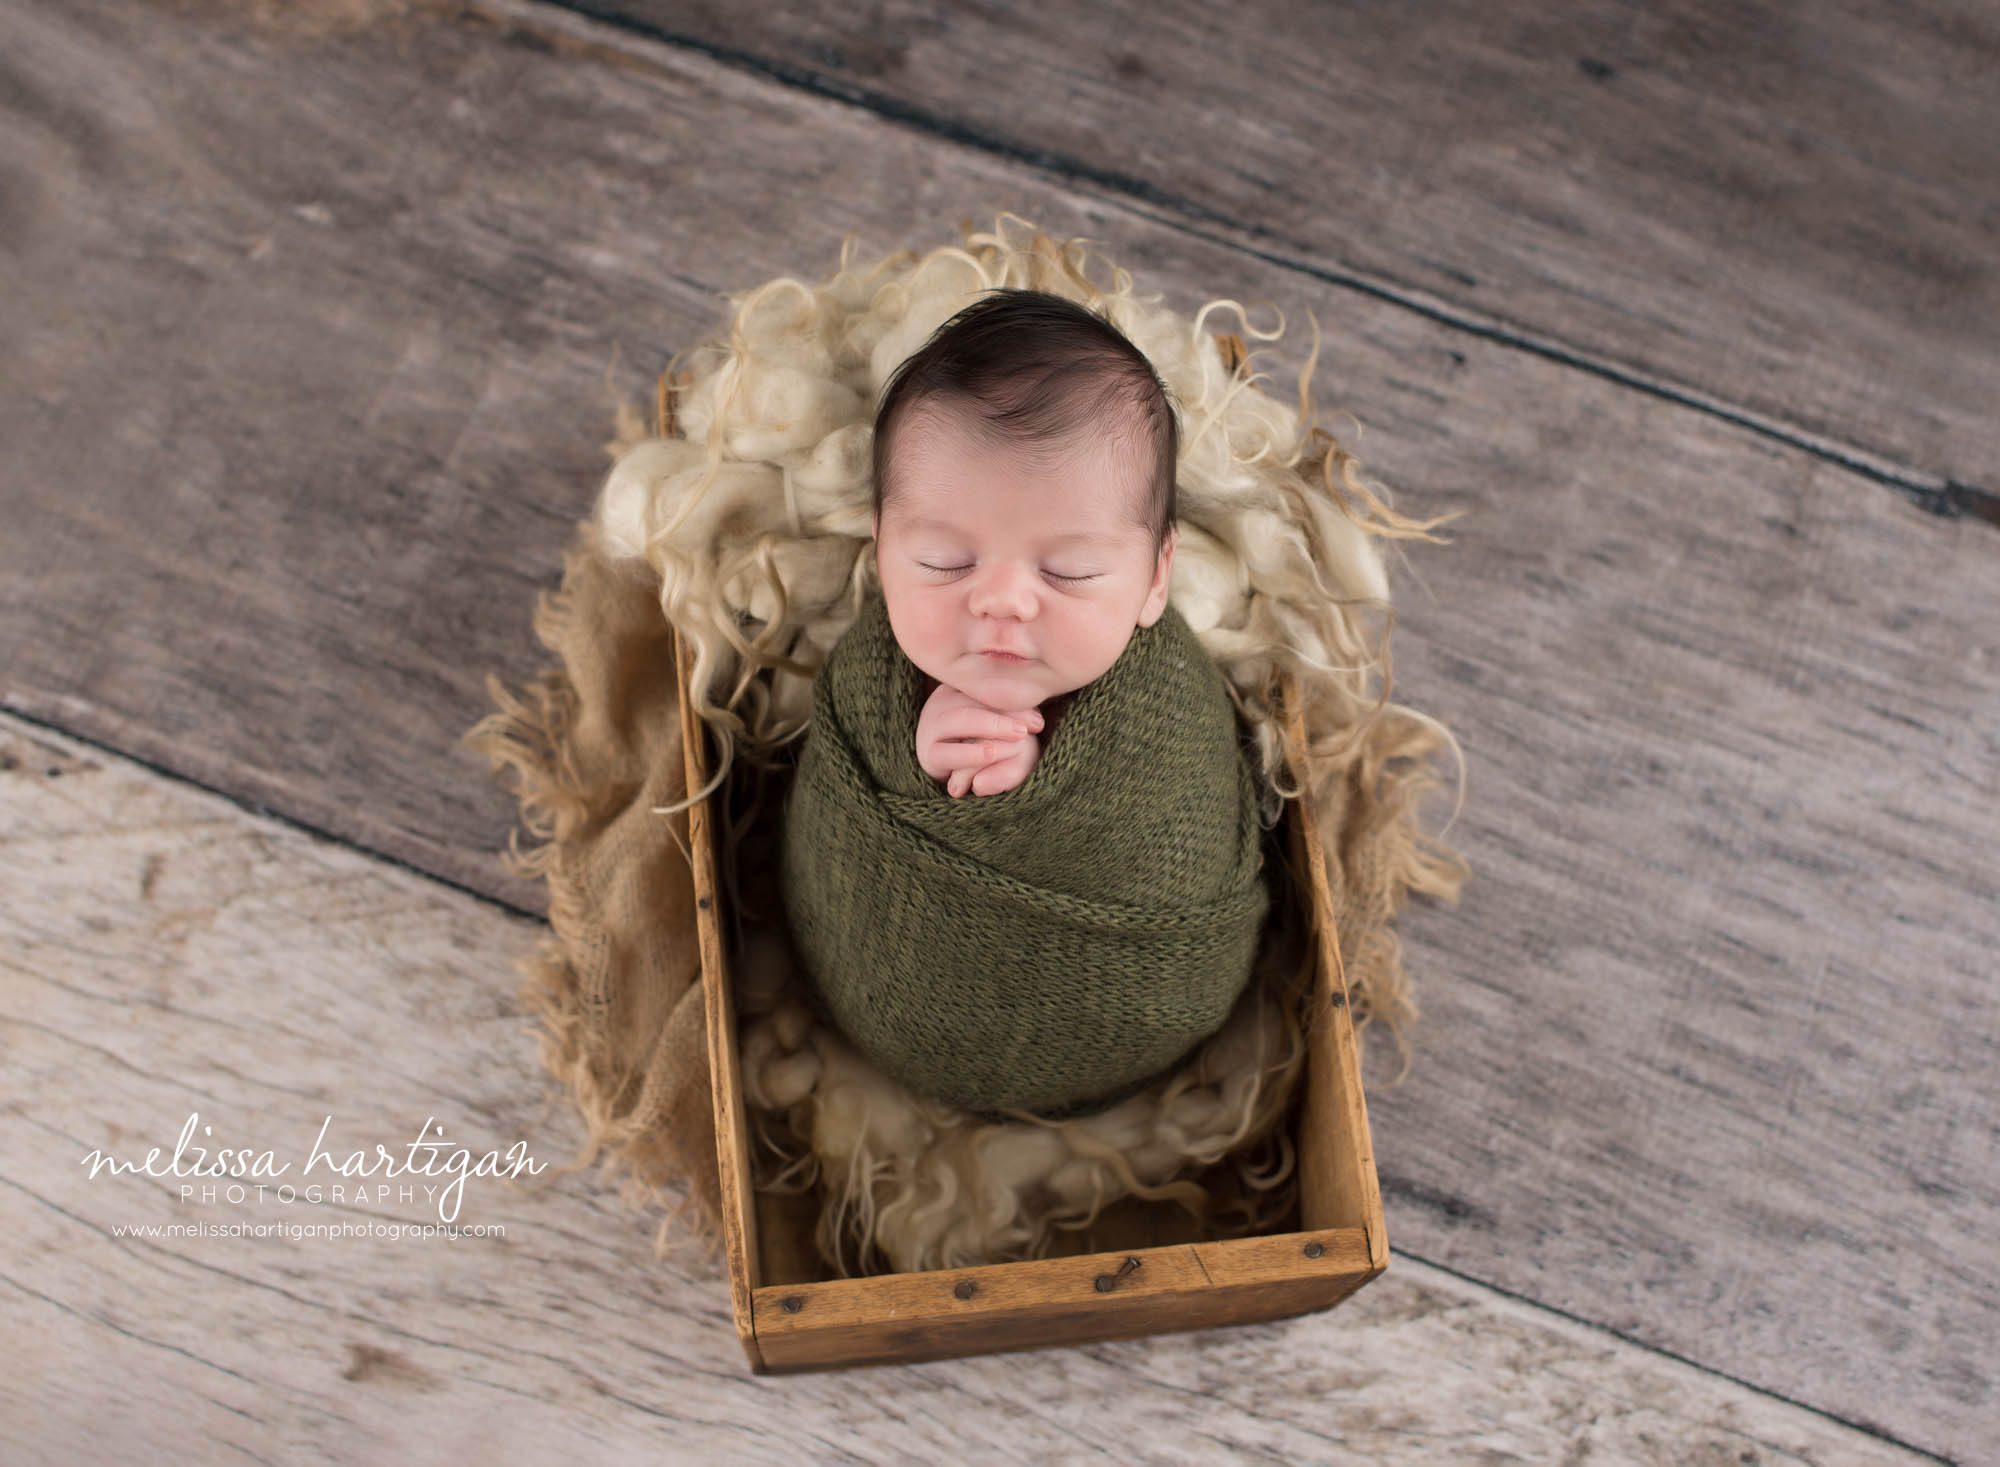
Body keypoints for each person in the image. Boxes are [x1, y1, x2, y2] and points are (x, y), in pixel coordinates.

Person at [869, 290, 1179, 797]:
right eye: (943, 562)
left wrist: (1036, 786)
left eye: (1070, 570)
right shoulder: (870, 682)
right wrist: (912, 758)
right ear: (880, 550)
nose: (1003, 601)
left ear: (1156, 578)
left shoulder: (1165, 707)